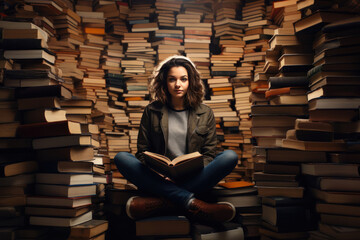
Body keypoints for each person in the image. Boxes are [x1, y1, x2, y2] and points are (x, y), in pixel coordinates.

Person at [114, 55, 238, 224]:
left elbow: (209, 155)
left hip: (193, 176)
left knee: (229, 157)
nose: (178, 84)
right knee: (121, 158)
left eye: (183, 79)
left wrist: (189, 171)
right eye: (172, 79)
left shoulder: (205, 113)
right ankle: (192, 202)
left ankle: (163, 202)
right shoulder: (152, 111)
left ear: (191, 81)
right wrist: (159, 173)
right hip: (159, 177)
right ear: (165, 82)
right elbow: (142, 152)